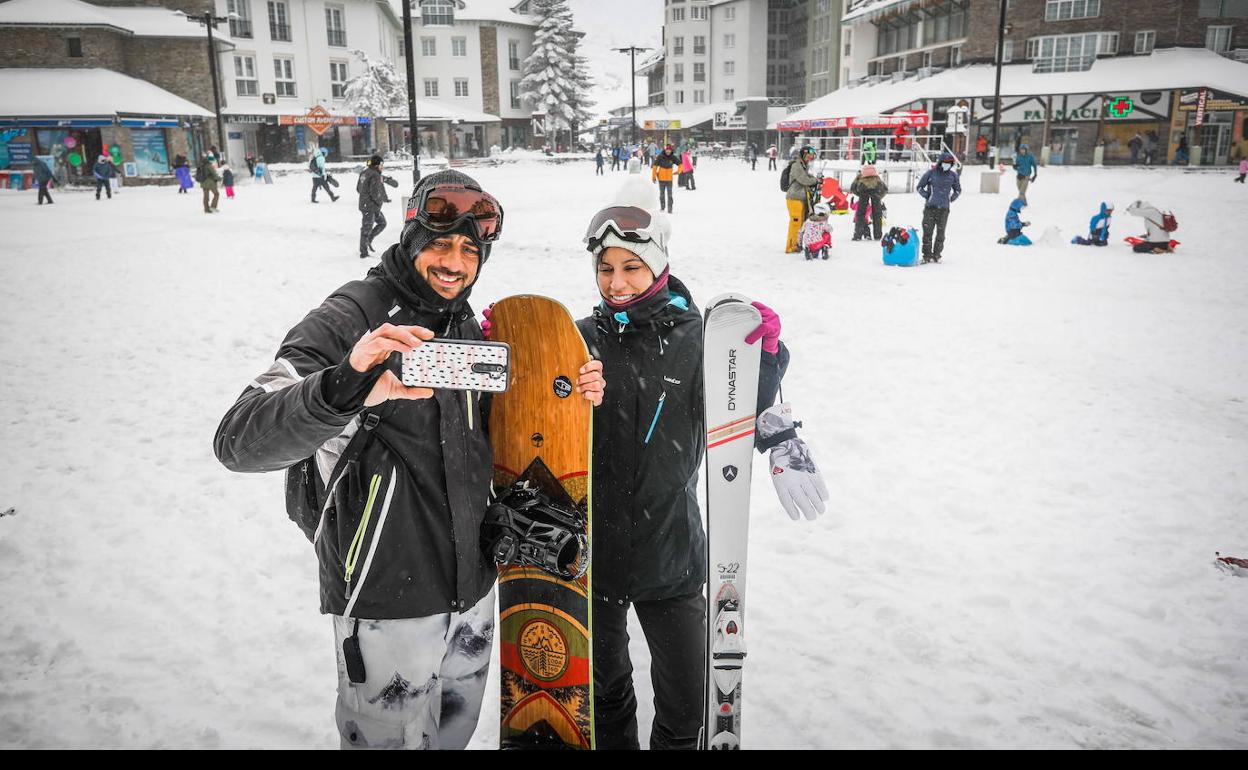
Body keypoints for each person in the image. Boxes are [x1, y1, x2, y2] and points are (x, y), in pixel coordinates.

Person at [214, 169, 604, 750]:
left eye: (471, 250)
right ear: (411, 235)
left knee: (453, 736)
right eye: (441, 244)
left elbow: (482, 443)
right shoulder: (352, 313)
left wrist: (565, 393)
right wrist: (345, 383)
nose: (455, 262)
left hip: (471, 596)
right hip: (386, 602)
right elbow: (239, 439)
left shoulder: (466, 322)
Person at [576, 199, 825, 750]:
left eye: (630, 267)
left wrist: (765, 356)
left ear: (658, 264)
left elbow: (741, 413)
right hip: (594, 559)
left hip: (672, 555)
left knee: (686, 706)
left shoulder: (699, 339)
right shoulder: (577, 337)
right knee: (605, 695)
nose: (615, 283)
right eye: (605, 268)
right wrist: (519, 343)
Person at [916, 150, 961, 263]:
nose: (947, 165)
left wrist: (952, 198)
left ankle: (937, 254)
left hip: (944, 209)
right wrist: (927, 195)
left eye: (950, 163)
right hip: (930, 209)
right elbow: (920, 187)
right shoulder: (931, 173)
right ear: (940, 162)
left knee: (941, 234)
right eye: (945, 162)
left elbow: (958, 190)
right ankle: (927, 255)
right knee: (927, 233)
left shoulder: (953, 175)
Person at [784, 146, 820, 254]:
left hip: (801, 198)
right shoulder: (797, 165)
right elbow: (803, 179)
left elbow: (808, 177)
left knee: (800, 223)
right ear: (804, 154)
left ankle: (797, 244)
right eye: (809, 156)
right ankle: (791, 246)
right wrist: (815, 181)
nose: (810, 158)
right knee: (795, 223)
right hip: (795, 198)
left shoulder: (803, 166)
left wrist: (815, 179)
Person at [357, 154, 391, 259]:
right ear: (377, 165)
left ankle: (368, 240)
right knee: (367, 227)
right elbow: (375, 192)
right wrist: (378, 201)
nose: (382, 166)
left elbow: (358, 188)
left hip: (368, 205)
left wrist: (365, 196)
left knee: (382, 223)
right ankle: (363, 252)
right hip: (370, 206)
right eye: (381, 164)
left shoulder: (364, 172)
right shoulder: (375, 175)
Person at [849, 164, 887, 241]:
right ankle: (877, 235)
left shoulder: (860, 178)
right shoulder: (877, 178)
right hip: (876, 195)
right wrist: (879, 196)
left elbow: (853, 188)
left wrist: (859, 194)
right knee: (877, 215)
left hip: (863, 194)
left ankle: (858, 235)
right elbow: (885, 189)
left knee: (860, 215)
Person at [652, 144, 678, 213]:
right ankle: (662, 207)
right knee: (662, 194)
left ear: (671, 150)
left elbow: (680, 164)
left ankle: (670, 209)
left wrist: (678, 171)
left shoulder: (673, 157)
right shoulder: (660, 157)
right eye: (667, 150)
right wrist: (653, 177)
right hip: (661, 179)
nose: (668, 151)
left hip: (669, 179)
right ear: (665, 150)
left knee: (670, 195)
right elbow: (654, 167)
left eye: (669, 150)